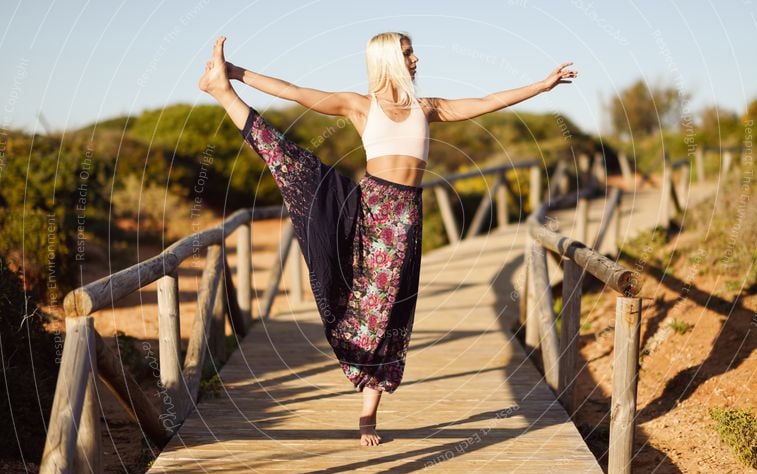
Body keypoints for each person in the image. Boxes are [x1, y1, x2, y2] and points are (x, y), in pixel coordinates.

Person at [198, 32, 577, 446]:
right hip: (369, 212)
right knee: (286, 158)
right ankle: (222, 90)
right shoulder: (360, 105)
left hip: (406, 219)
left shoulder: (426, 108)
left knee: (392, 315)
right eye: (407, 52)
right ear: (387, 60)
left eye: (412, 51)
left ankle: (368, 412)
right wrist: (236, 72)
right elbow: (294, 91)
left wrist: (541, 86)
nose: (416, 58)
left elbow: (486, 102)